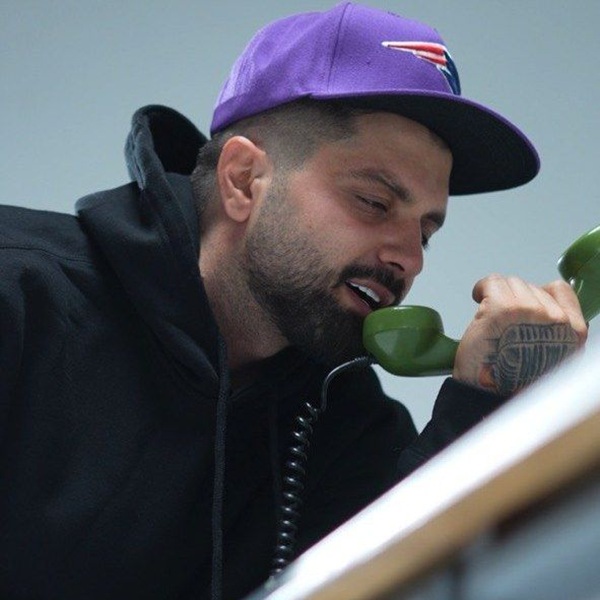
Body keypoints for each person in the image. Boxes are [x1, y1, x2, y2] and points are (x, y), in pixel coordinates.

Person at [0, 3, 587, 600]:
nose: (409, 259)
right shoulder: (18, 296)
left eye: (426, 232)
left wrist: (483, 404)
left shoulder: (348, 425)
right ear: (243, 180)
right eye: (374, 203)